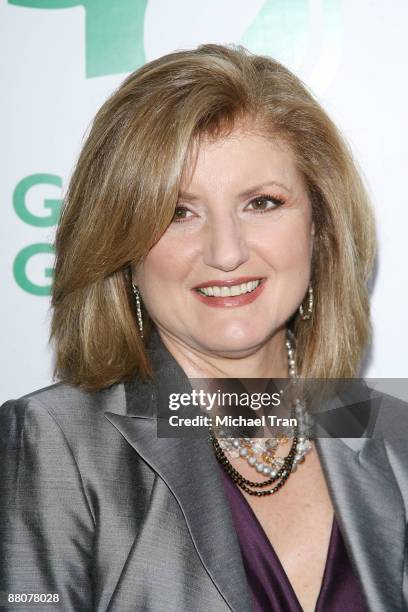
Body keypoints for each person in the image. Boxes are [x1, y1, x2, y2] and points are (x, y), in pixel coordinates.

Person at [0, 44, 406, 612]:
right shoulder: (55, 443)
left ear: (319, 227)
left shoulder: (393, 435)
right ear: (122, 247)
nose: (226, 252)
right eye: (178, 212)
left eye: (262, 202)